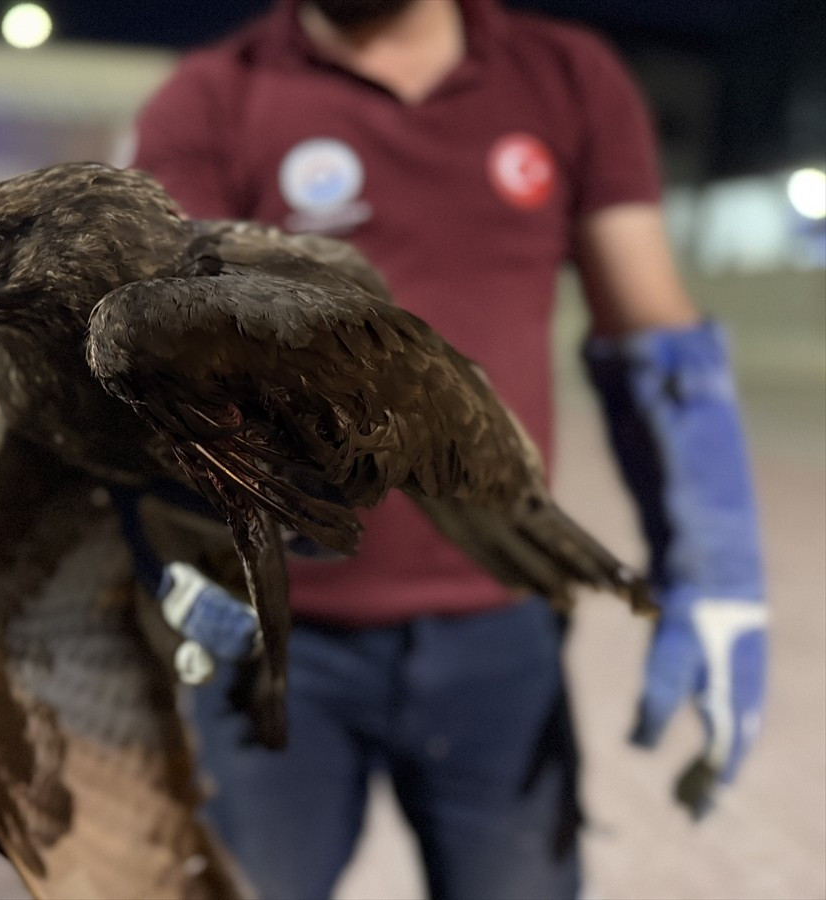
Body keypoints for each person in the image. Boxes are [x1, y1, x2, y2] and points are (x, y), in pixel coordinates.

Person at [128, 1, 768, 897]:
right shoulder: (212, 96)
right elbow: (167, 353)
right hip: (273, 636)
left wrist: (715, 565)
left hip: (499, 630)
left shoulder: (564, 76)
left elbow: (652, 344)